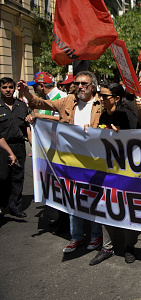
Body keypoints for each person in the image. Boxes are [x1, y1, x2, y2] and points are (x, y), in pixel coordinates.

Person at [17, 71, 104, 253]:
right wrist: (27, 94)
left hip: (94, 160)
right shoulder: (67, 101)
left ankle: (96, 236)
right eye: (78, 83)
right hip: (70, 159)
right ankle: (77, 237)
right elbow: (42, 103)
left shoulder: (100, 103)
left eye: (84, 84)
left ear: (92, 86)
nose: (80, 86)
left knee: (93, 199)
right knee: (72, 198)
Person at [88, 83, 141, 266]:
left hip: (128, 171)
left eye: (104, 96)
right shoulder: (104, 115)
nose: (100, 99)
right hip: (109, 169)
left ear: (116, 98)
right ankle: (108, 247)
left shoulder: (127, 114)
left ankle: (130, 246)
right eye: (100, 95)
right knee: (105, 207)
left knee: (126, 209)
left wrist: (122, 136)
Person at [0, 77, 30, 218]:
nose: (8, 90)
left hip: (18, 145)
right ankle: (2, 205)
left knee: (18, 176)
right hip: (2, 147)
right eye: (4, 87)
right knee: (3, 177)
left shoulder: (21, 105)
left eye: (10, 87)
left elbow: (26, 127)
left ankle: (15, 207)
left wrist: (32, 144)